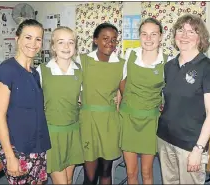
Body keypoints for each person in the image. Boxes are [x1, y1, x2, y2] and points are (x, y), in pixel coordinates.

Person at [157, 14, 210, 184]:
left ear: (200, 38)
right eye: (180, 30)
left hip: (190, 144)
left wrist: (198, 149)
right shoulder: (169, 66)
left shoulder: (208, 67)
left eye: (191, 32)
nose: (184, 36)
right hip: (165, 139)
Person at [0, 19, 51, 185]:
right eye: (28, 37)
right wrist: (10, 156)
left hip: (38, 146)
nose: (33, 43)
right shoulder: (7, 70)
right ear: (17, 39)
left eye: (38, 39)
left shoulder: (34, 73)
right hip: (17, 148)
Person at [119, 18, 170, 184]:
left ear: (161, 37)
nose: (148, 38)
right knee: (131, 171)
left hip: (150, 121)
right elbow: (121, 81)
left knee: (147, 171)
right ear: (139, 36)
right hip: (128, 119)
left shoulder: (168, 61)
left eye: (153, 34)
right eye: (144, 34)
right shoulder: (130, 54)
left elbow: (170, 92)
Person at [76, 23, 124, 185]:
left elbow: (126, 93)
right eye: (105, 39)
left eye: (114, 40)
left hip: (110, 122)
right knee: (89, 176)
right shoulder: (82, 61)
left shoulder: (121, 64)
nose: (110, 43)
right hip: (88, 122)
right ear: (95, 40)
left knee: (106, 171)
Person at [36, 26, 84, 184]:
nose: (66, 46)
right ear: (53, 46)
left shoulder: (79, 71)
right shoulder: (42, 71)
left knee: (69, 179)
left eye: (71, 42)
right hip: (52, 134)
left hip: (73, 132)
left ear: (75, 47)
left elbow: (83, 98)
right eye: (61, 42)